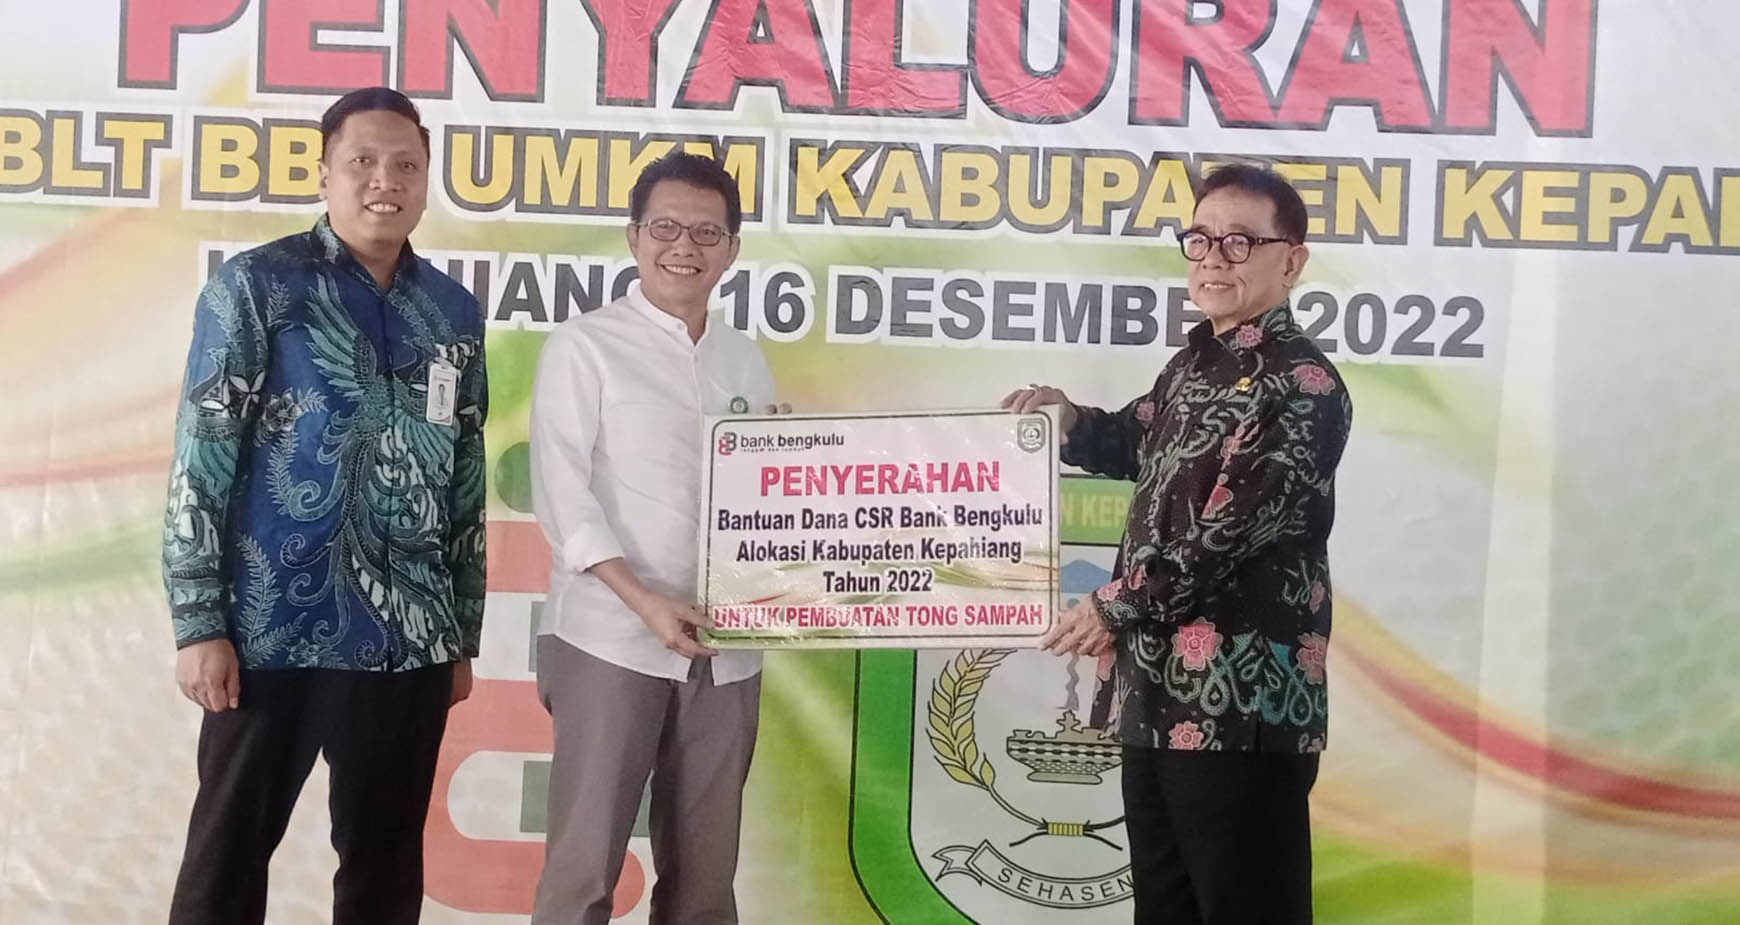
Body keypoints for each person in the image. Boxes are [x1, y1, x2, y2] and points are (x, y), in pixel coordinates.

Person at [162, 86, 488, 925]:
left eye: (406, 164)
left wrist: (459, 634)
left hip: (409, 640)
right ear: (324, 173)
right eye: (363, 161)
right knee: (227, 860)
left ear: (426, 178)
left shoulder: (451, 312)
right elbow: (202, 457)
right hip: (270, 628)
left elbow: (463, 475)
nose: (386, 180)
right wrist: (199, 623)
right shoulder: (255, 288)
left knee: (384, 872)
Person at [1005, 163, 1353, 924]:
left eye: (1240, 241)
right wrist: (1068, 420)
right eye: (1200, 238)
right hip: (1155, 693)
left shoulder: (1301, 384)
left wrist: (1113, 606)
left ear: (1291, 260)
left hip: (1243, 704)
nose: (1213, 258)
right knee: (1165, 909)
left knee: (1246, 909)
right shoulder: (1195, 364)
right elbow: (1138, 440)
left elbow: (1228, 532)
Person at [528, 151, 777, 925]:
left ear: (732, 250)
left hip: (727, 648)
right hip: (610, 640)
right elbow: (563, 497)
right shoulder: (585, 345)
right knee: (583, 872)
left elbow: (772, 492)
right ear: (634, 236)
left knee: (705, 882)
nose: (684, 247)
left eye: (706, 232)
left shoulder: (744, 358)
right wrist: (645, 601)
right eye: (665, 227)